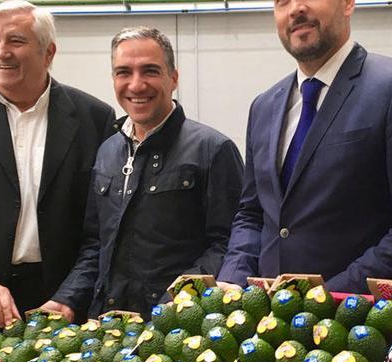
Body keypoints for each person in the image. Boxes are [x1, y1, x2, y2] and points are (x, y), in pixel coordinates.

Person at [216, 0, 392, 293]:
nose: (295, 9)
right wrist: (232, 278)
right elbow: (252, 214)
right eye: (282, 2)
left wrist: (328, 299)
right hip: (269, 325)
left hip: (355, 324)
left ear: (348, 3)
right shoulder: (264, 106)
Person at [0, 0, 116, 345]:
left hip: (64, 300)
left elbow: (101, 224)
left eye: (15, 41)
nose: (2, 53)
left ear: (48, 53)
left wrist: (72, 294)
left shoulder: (93, 117)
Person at [41, 27, 243, 320]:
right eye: (124, 72)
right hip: (110, 325)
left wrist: (177, 300)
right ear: (113, 79)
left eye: (149, 71)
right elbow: (95, 245)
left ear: (173, 78)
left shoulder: (213, 150)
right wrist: (67, 299)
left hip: (178, 328)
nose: (136, 85)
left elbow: (227, 244)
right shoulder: (107, 152)